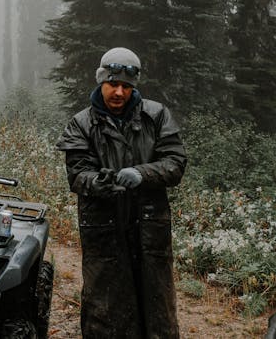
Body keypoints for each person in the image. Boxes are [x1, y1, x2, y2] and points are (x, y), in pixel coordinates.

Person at [56, 47, 186, 338]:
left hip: (149, 227)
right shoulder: (81, 124)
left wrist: (142, 173)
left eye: (126, 86)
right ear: (101, 80)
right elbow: (77, 175)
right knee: (105, 304)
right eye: (112, 84)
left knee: (156, 304)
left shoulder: (157, 116)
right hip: (104, 226)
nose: (118, 92)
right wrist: (102, 183)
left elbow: (175, 163)